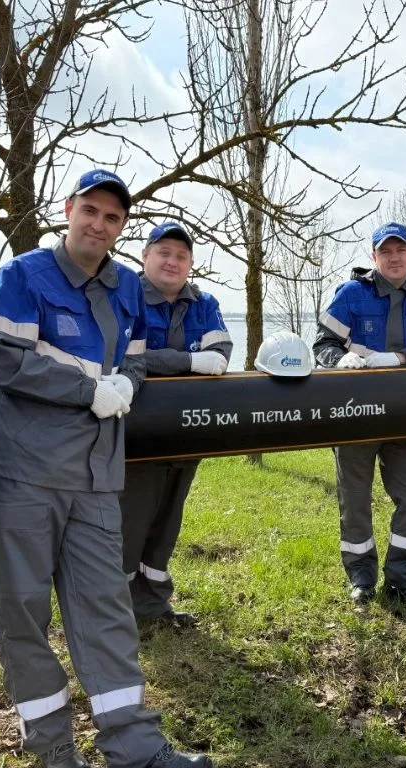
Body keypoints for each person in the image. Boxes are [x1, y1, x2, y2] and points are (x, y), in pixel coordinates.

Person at [0, 169, 212, 768]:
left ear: (122, 227)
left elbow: (133, 358)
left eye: (112, 217)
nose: (99, 225)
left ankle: (133, 747)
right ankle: (52, 742)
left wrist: (126, 382)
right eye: (90, 211)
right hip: (24, 474)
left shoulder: (127, 286)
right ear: (68, 210)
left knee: (106, 610)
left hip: (97, 476)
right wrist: (87, 390)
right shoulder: (25, 275)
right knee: (24, 614)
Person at [313, 222, 406, 612]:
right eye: (386, 251)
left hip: (404, 416)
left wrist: (402, 357)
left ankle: (402, 579)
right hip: (355, 415)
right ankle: (361, 578)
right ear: (374, 256)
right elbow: (323, 343)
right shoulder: (351, 293)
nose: (394, 258)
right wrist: (339, 360)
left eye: (401, 250)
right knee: (355, 499)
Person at [122, 221, 232, 627]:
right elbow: (121, 358)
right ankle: (116, 611)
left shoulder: (205, 303)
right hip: (134, 437)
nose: (172, 261)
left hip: (187, 436)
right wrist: (187, 361)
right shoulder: (124, 297)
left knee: (167, 523)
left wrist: (162, 362)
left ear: (190, 263)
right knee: (129, 522)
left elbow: (220, 355)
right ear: (145, 256)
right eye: (164, 252)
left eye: (181, 255)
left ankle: (153, 606)